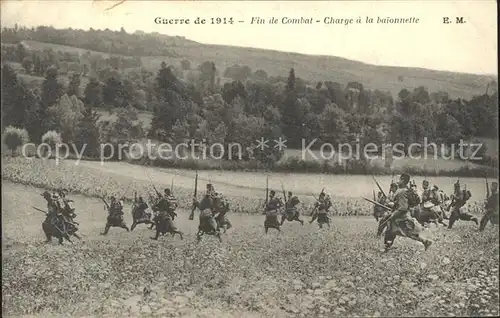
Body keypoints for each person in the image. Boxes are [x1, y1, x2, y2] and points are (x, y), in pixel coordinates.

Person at [380, 173, 432, 252]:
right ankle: (425, 242)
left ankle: (425, 242)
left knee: (398, 231)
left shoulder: (402, 192)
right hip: (403, 215)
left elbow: (403, 208)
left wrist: (394, 214)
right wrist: (393, 204)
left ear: (403, 180)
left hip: (401, 216)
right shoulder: (406, 190)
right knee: (395, 231)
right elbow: (403, 204)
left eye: (399, 179)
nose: (398, 181)